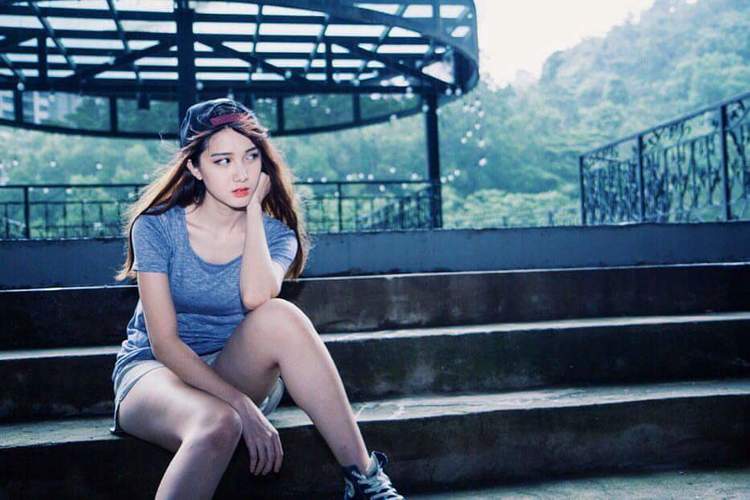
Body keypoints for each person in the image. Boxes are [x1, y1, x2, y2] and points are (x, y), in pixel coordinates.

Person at [110, 97, 405, 500]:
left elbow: (255, 296)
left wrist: (252, 212)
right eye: (223, 161)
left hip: (236, 368)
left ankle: (365, 479)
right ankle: (230, 413)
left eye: (251, 156)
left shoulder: (278, 236)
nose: (241, 173)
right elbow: (164, 343)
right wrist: (242, 407)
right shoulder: (156, 227)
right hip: (157, 374)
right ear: (194, 168)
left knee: (281, 315)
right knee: (220, 423)